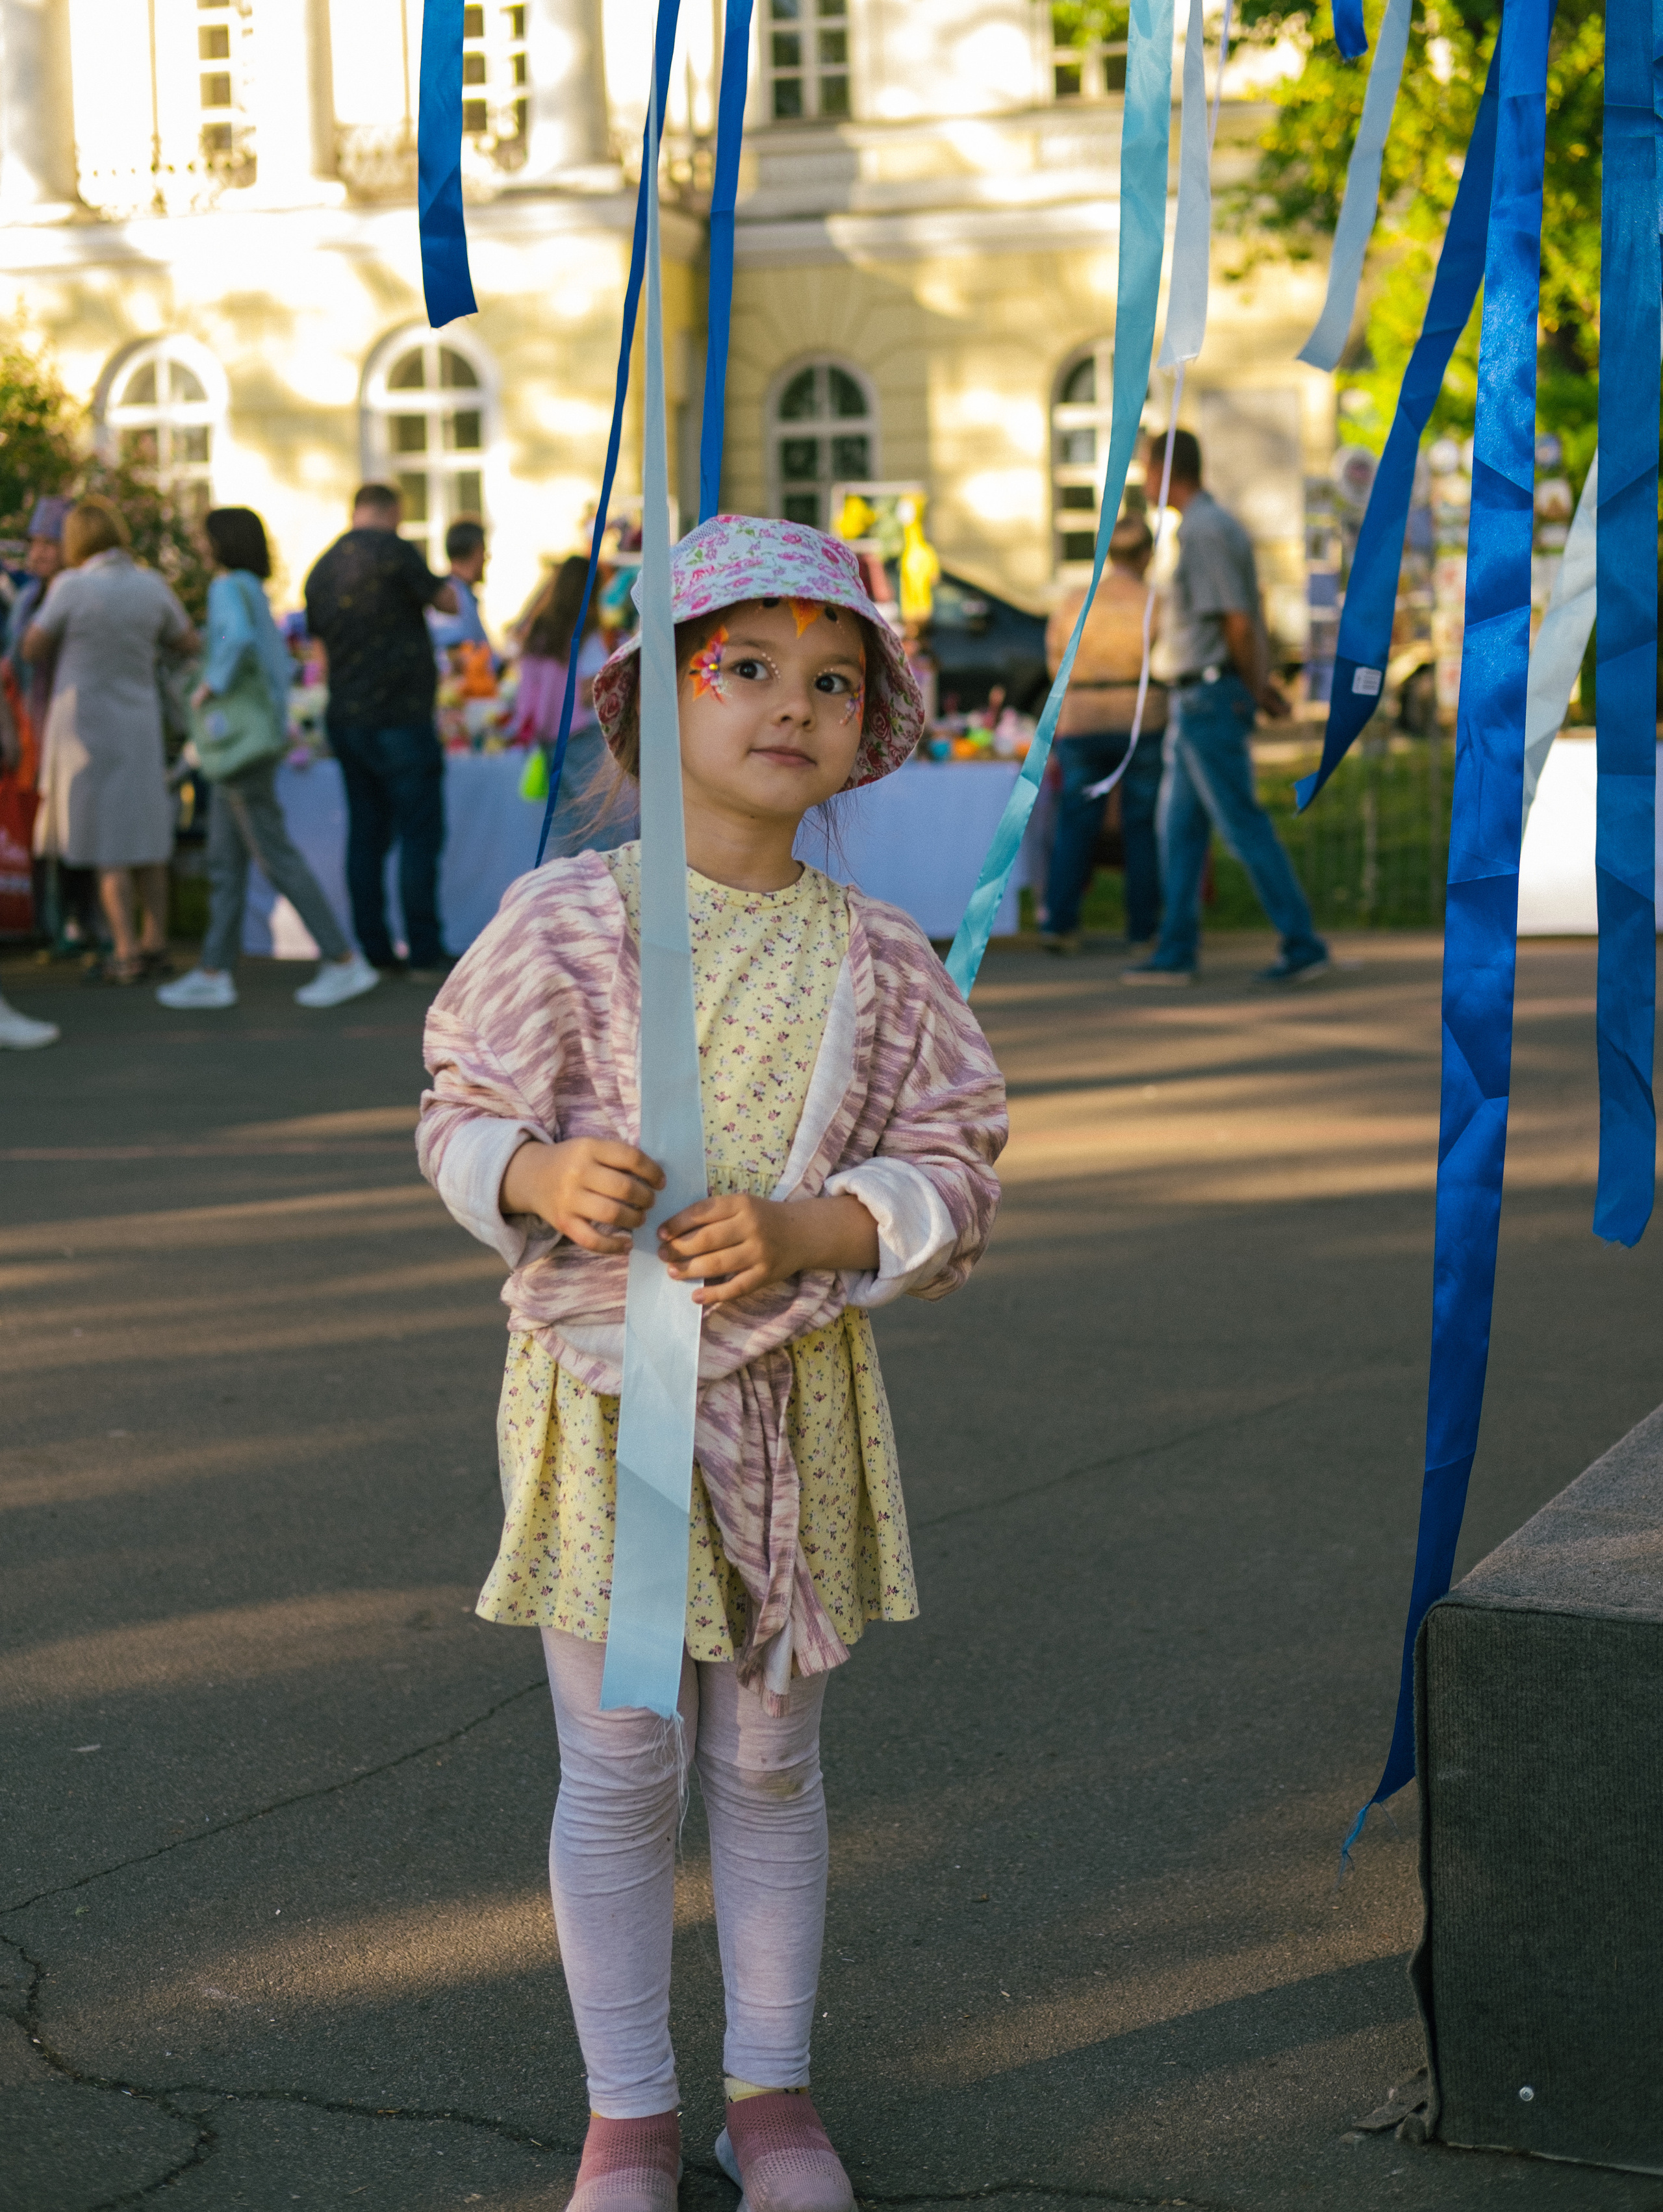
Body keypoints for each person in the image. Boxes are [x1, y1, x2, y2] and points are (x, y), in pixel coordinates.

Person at [416, 514, 1007, 2212]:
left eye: (831, 680)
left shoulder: (881, 956)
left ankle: (774, 2085)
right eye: (743, 665)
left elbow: (962, 1162)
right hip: (613, 1408)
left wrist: (826, 1226)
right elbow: (458, 1104)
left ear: (864, 732)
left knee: (766, 1755)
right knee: (618, 1755)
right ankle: (624, 2107)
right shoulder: (559, 921)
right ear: (651, 706)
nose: (789, 703)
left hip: (789, 1406)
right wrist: (529, 1174)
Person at [1123, 429, 1329, 987]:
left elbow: (1236, 620)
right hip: (1202, 694)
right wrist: (1258, 684)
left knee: (1240, 824)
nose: (1142, 479)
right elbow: (1245, 616)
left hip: (1207, 698)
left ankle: (1301, 941)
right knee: (1179, 830)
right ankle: (1177, 948)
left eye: (1146, 468)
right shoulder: (1205, 528)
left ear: (1168, 471)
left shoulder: (1207, 532)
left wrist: (1249, 683)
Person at [157, 508, 383, 1013]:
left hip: (235, 742)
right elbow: (273, 662)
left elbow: (233, 642)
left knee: (270, 853)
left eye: (203, 535)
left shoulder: (226, 588)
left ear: (221, 542)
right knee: (227, 857)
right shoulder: (252, 589)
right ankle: (214, 969)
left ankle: (342, 959)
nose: (198, 543)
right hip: (252, 740)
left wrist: (210, 686)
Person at [24, 497, 198, 985]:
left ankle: (124, 950)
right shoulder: (151, 584)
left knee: (107, 842)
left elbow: (32, 646)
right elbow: (188, 641)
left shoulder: (71, 587)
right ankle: (156, 942)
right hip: (139, 720)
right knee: (147, 836)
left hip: (86, 726)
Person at [303, 484, 458, 985]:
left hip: (346, 718)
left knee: (365, 835)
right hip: (402, 716)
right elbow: (449, 602)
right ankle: (423, 950)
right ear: (394, 511)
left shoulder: (321, 567)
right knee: (418, 834)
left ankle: (373, 950)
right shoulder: (394, 549)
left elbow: (319, 650)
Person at [1040, 512, 1165, 953]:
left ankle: (1060, 922)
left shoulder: (1077, 601)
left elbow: (1055, 659)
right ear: (1147, 554)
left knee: (1076, 821)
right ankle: (1142, 930)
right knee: (1141, 824)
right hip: (1140, 718)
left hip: (1082, 718)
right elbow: (1168, 659)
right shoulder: (1155, 602)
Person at [514, 553, 633, 857]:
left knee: (564, 819)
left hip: (549, 731)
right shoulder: (586, 627)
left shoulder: (541, 627)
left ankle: (566, 883)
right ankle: (602, 885)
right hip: (583, 731)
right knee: (597, 820)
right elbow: (585, 689)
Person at [426, 516, 492, 659]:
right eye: (485, 552)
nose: (487, 558)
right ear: (478, 549)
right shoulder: (450, 598)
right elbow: (453, 657)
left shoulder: (462, 593)